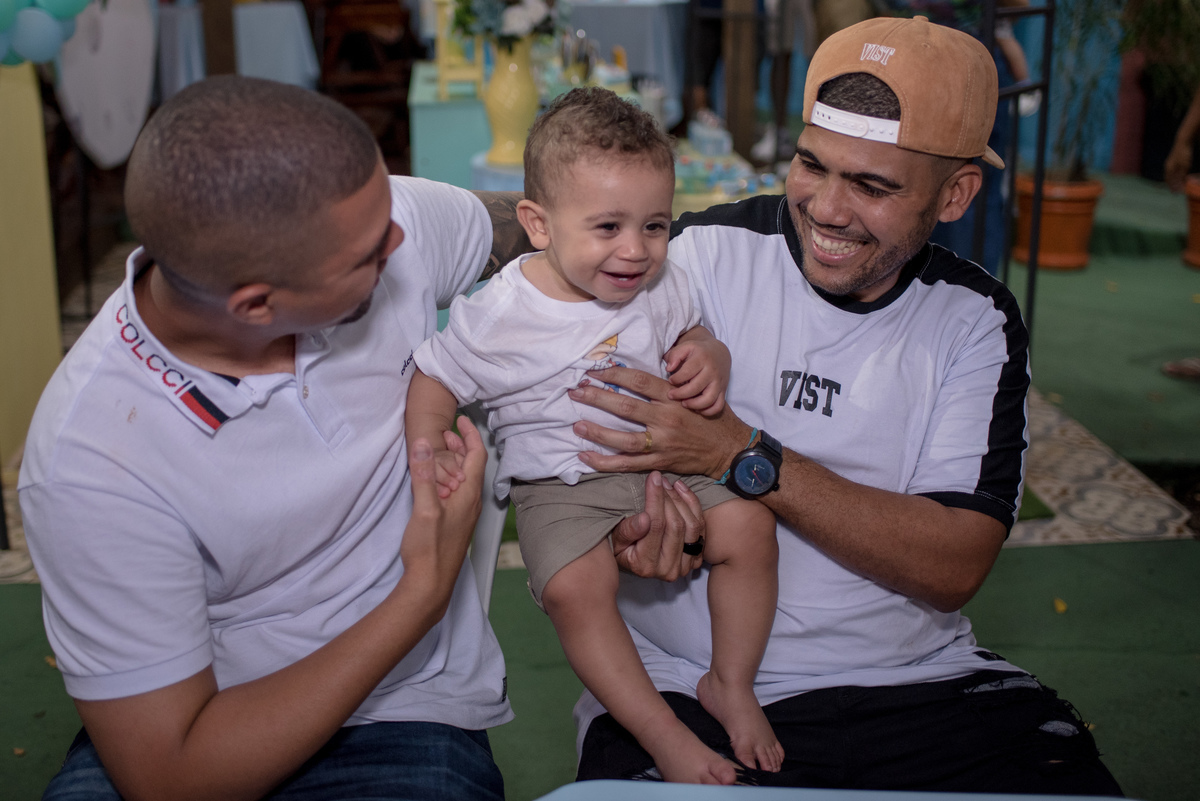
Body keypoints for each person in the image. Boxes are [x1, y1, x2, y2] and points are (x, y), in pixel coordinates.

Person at [561, 17, 1124, 795]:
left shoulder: (974, 320)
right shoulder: (701, 255)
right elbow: (580, 420)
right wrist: (628, 527)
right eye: (811, 164)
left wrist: (739, 453)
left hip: (916, 682)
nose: (825, 207)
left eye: (872, 186)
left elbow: (953, 563)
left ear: (956, 194)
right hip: (685, 684)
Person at [18, 76, 522, 800]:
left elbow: (553, 226)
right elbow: (171, 773)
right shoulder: (91, 460)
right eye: (368, 256)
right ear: (257, 304)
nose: (399, 241)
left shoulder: (373, 223)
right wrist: (424, 592)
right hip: (205, 715)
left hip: (403, 707)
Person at [407, 87, 783, 784]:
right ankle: (662, 734)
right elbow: (435, 376)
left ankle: (730, 681)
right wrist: (430, 454)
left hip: (668, 462)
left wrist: (711, 355)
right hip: (561, 486)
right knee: (576, 589)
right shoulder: (503, 311)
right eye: (608, 226)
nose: (636, 250)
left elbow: (692, 330)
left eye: (655, 225)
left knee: (752, 528)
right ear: (538, 224)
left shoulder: (662, 285)